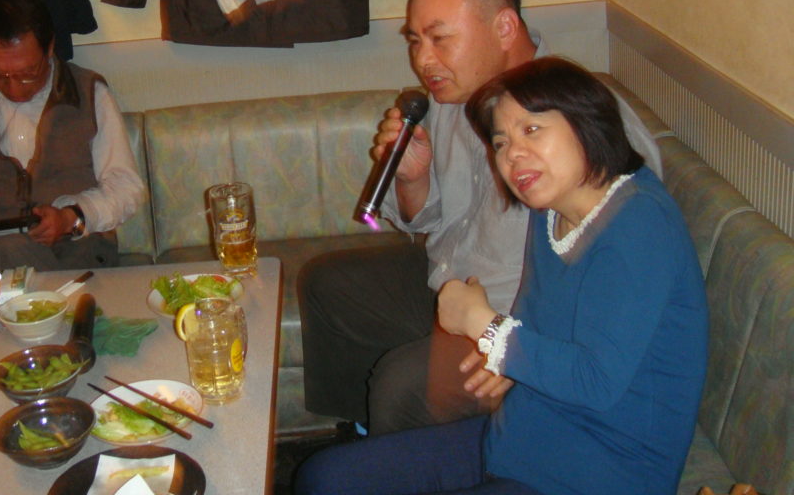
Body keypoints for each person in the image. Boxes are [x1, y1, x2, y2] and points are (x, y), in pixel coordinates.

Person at [295, 57, 707, 495]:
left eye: (532, 130)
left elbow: (596, 381)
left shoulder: (639, 225)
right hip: (522, 433)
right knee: (325, 479)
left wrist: (485, 327)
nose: (513, 155)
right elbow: (536, 312)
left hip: (600, 470)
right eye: (501, 142)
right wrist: (510, 361)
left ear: (587, 123)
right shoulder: (552, 209)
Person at [298, 0, 662, 436]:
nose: (423, 60)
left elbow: (623, 267)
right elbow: (427, 220)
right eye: (415, 41)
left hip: (519, 321)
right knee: (327, 283)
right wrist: (412, 179)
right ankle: (362, 432)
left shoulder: (585, 118)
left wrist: (519, 351)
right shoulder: (451, 99)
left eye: (440, 38)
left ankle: (418, 453)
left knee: (401, 385)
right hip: (451, 283)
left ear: (504, 28)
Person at [0, 0, 146, 271]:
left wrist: (72, 216)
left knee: (17, 255)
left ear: (50, 47)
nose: (14, 88)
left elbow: (126, 188)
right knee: (10, 250)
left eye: (27, 73)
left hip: (76, 256)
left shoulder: (89, 93)